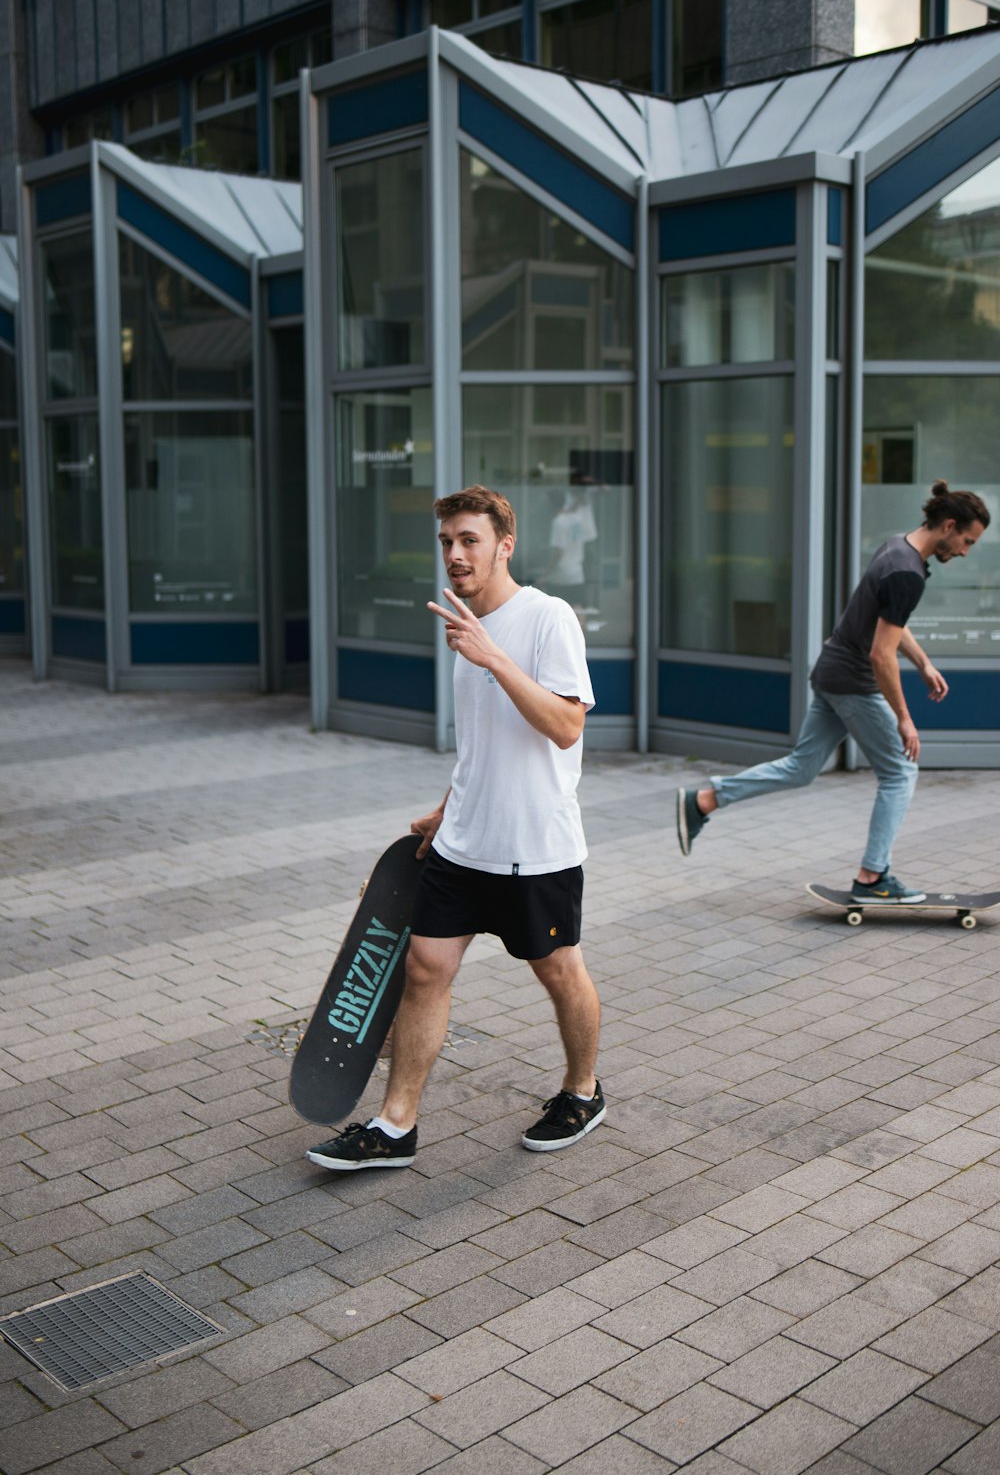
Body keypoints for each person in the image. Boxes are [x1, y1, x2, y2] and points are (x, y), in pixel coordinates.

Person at [307, 484, 603, 1172]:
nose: (455, 554)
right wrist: (450, 805)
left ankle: (582, 1091)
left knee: (560, 972)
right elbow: (482, 743)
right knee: (425, 969)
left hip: (536, 848)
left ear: (505, 545)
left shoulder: (545, 618)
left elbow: (566, 726)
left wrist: (492, 657)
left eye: (469, 540)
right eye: (446, 542)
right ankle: (395, 1123)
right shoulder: (466, 625)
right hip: (465, 841)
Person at [676, 480, 991, 902]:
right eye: (967, 541)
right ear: (949, 525)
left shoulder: (897, 547)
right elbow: (881, 655)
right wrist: (904, 719)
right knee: (901, 772)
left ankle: (704, 800)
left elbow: (890, 626)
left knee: (801, 767)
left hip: (831, 671)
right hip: (853, 682)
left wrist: (923, 662)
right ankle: (872, 878)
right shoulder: (906, 572)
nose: (966, 551)